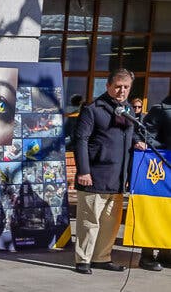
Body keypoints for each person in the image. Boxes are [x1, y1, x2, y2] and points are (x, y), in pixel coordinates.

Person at [72, 68, 145, 274]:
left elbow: (130, 135)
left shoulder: (128, 110)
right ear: (108, 86)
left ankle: (102, 257)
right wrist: (83, 171)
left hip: (118, 177)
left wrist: (138, 142)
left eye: (126, 87)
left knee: (111, 223)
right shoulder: (93, 109)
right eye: (118, 86)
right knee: (89, 221)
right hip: (95, 174)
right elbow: (81, 140)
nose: (122, 91)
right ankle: (83, 259)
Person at [139, 91, 171, 270]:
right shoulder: (160, 110)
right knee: (155, 213)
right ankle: (147, 255)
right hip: (161, 169)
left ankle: (167, 253)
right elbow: (146, 136)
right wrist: (165, 148)